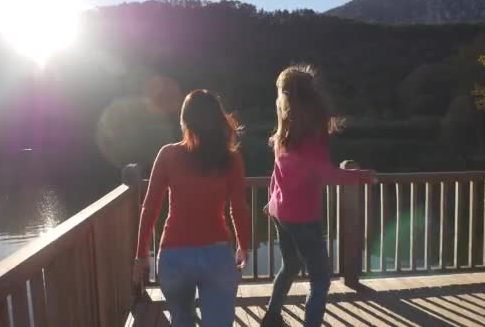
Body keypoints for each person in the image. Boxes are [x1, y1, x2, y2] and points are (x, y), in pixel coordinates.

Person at [262, 65, 376, 327]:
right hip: (302, 218)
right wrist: (362, 175)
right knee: (320, 280)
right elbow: (328, 175)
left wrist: (271, 202)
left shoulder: (283, 137)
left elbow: (275, 176)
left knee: (290, 266)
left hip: (282, 214)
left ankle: (271, 317)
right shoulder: (310, 140)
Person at [133, 89, 250, 327]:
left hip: (175, 256)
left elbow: (150, 206)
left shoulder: (168, 154)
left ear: (185, 121)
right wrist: (244, 246)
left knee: (182, 320)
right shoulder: (231, 159)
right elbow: (239, 207)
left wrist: (141, 253)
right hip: (217, 254)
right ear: (219, 119)